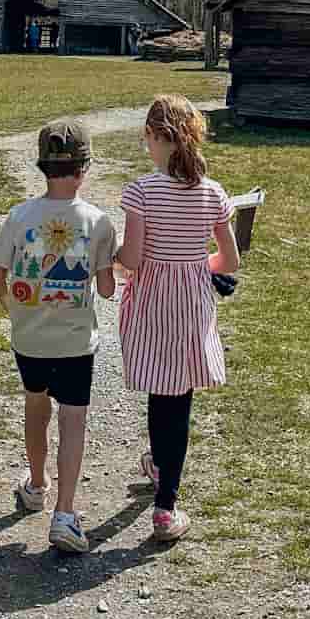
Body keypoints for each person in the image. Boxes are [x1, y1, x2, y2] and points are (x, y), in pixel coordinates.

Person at [0, 119, 116, 555]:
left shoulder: (19, 216)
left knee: (36, 406)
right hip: (77, 343)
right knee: (73, 421)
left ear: (42, 166)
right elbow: (105, 288)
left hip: (30, 340)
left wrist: (15, 311)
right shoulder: (98, 222)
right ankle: (64, 513)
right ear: (85, 168)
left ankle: (36, 484)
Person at [115, 94, 239, 544]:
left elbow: (131, 258)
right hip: (190, 303)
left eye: (146, 138)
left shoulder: (141, 191)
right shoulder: (212, 191)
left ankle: (160, 471)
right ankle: (166, 504)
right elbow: (229, 259)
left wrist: (113, 261)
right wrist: (194, 266)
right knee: (179, 398)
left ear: (156, 137)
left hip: (152, 301)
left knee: (159, 390)